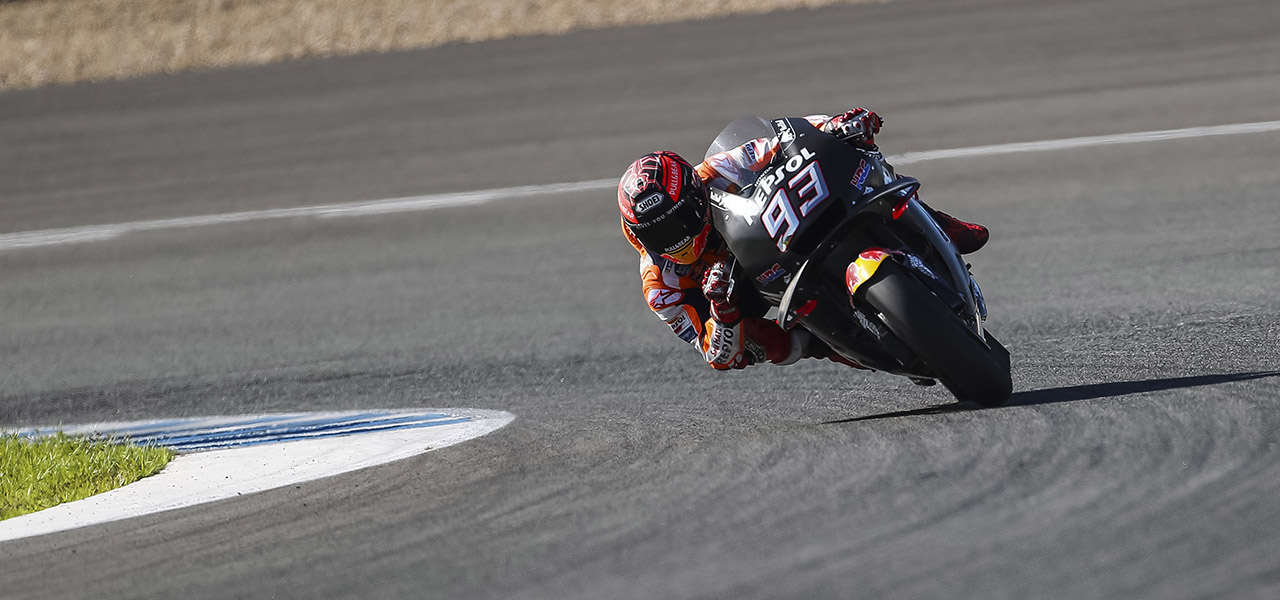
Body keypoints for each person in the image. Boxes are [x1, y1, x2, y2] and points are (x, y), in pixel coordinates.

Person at [617, 108, 989, 370]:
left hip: (772, 231)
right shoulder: (660, 286)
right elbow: (716, 355)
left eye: (679, 220)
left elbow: (786, 138)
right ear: (637, 234)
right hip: (739, 290)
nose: (676, 237)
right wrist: (722, 309)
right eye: (658, 233)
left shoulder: (718, 169)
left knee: (866, 162)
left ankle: (939, 224)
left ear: (695, 194)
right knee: (750, 346)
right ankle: (821, 343)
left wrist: (836, 125)